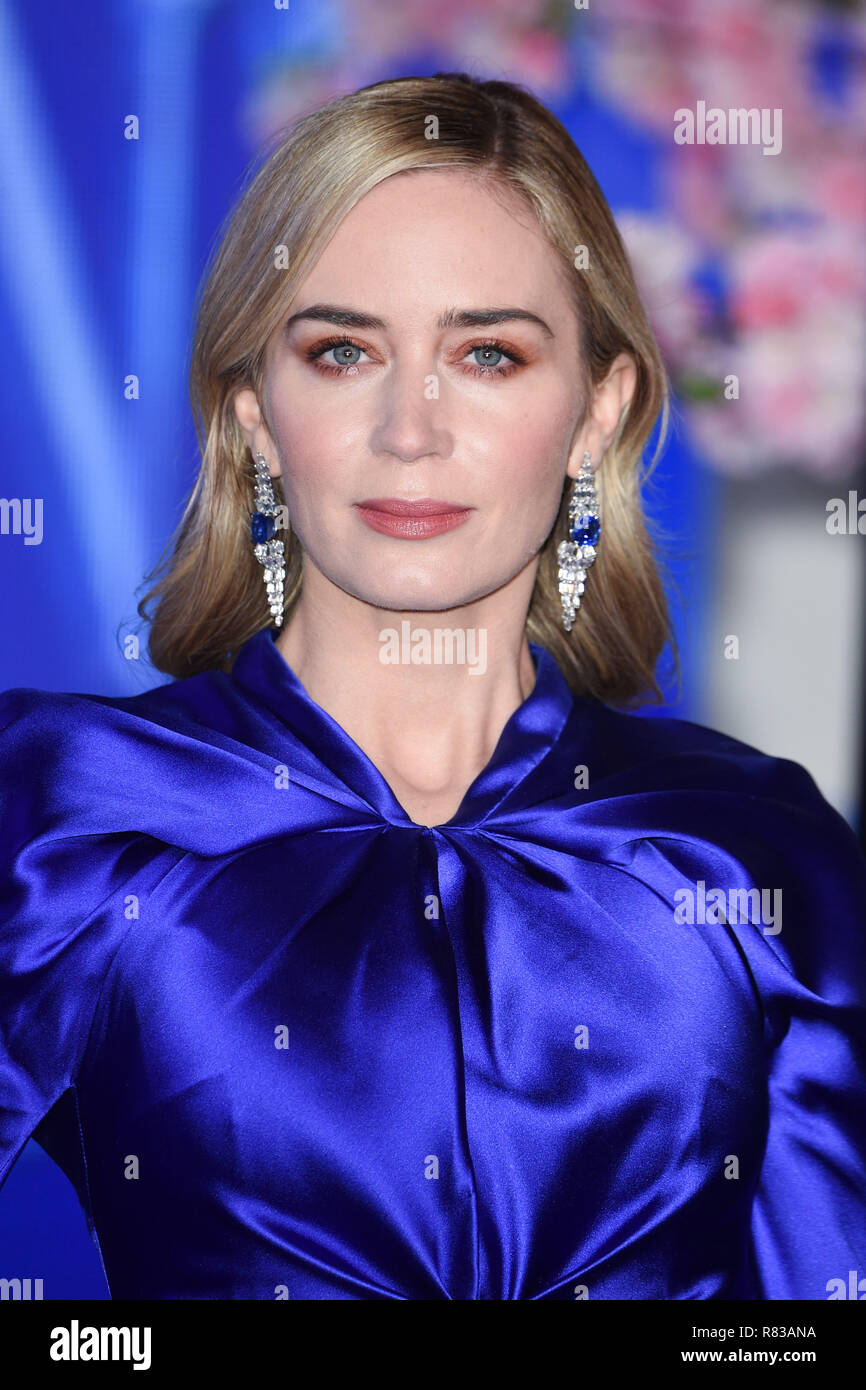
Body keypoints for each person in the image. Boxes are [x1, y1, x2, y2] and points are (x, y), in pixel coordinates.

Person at [1, 71, 864, 1302]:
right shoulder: (67, 805)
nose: (412, 428)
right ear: (252, 414)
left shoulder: (744, 849)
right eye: (344, 350)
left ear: (593, 415)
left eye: (489, 354)